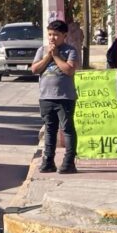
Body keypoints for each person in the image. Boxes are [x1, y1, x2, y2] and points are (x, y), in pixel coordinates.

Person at [31, 20, 79, 174]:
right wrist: (48, 56)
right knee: (50, 130)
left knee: (67, 129)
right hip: (46, 97)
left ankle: (69, 162)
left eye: (56, 35)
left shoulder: (70, 51)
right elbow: (35, 69)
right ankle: (48, 161)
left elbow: (69, 70)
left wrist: (56, 56)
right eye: (50, 34)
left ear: (64, 36)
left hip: (65, 97)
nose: (52, 38)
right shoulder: (42, 50)